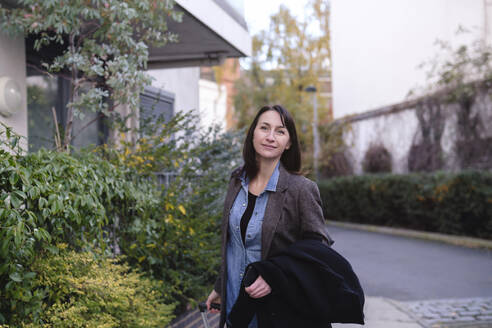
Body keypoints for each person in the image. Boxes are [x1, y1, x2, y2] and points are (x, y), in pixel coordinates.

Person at [206, 104, 334, 328]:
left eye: (280, 131)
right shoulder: (237, 180)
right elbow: (234, 245)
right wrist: (219, 287)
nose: (271, 137)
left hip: (278, 312)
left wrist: (275, 275)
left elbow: (319, 249)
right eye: (264, 128)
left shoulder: (301, 189)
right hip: (235, 305)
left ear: (289, 143)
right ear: (253, 133)